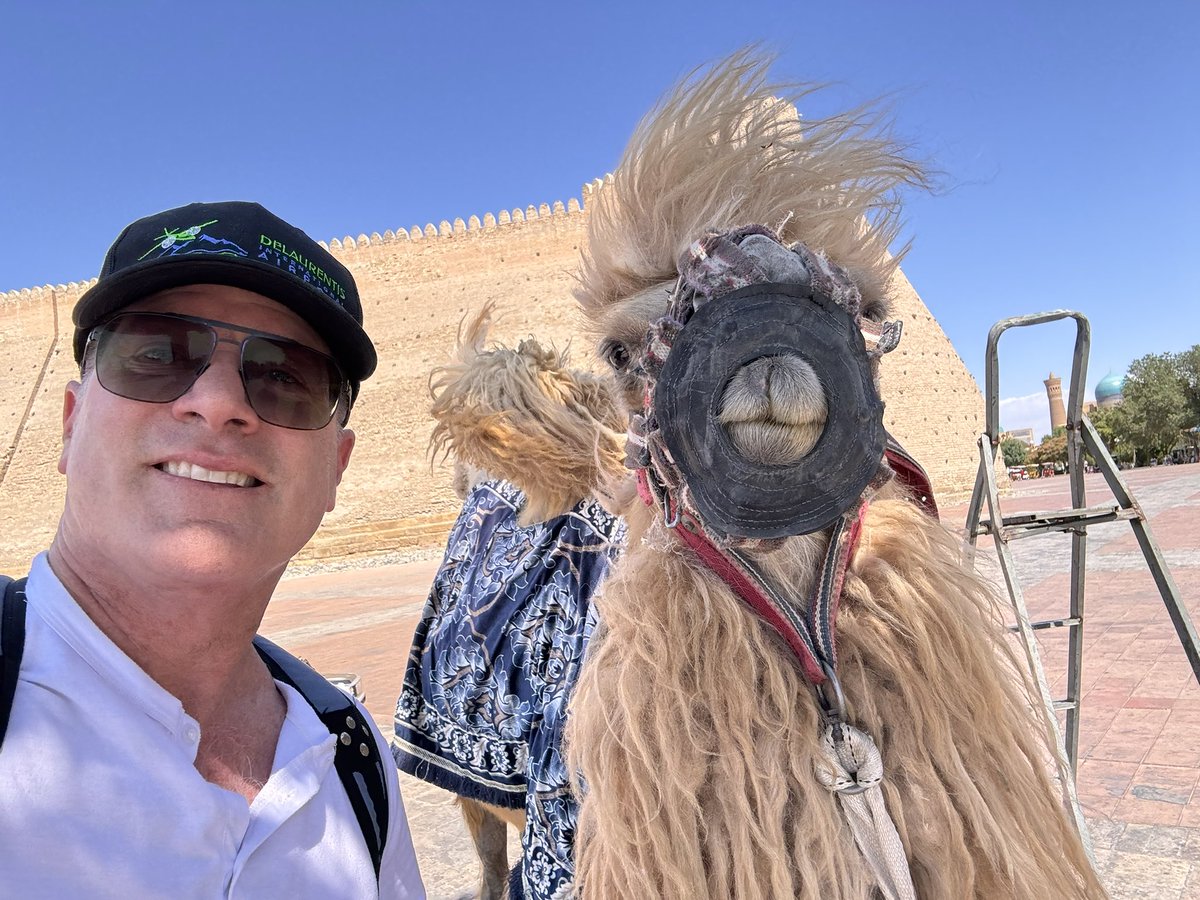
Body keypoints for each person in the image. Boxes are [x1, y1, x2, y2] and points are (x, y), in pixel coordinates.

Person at [0, 201, 425, 898]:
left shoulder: (354, 763)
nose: (220, 401)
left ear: (336, 469)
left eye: (284, 376)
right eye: (157, 355)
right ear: (71, 425)